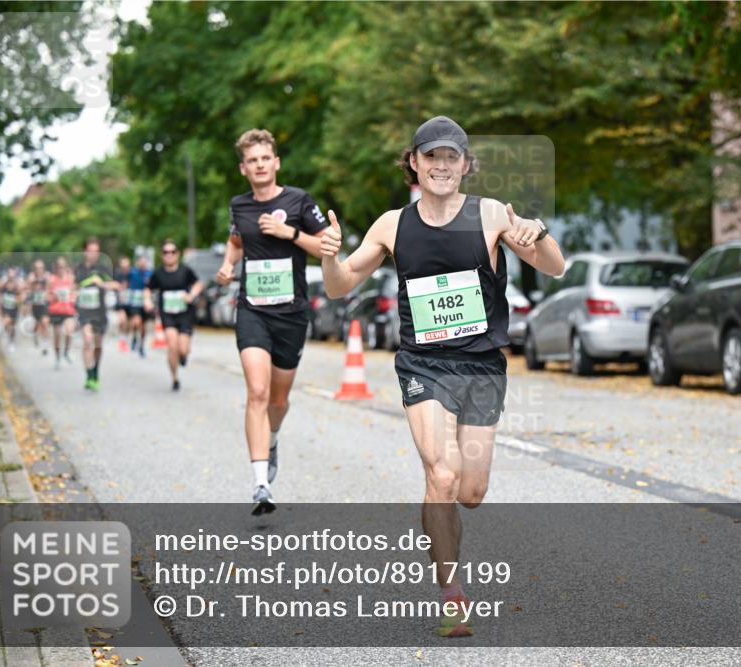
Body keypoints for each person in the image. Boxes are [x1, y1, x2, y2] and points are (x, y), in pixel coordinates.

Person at [320, 116, 565, 637]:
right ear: (414, 162)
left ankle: (438, 511)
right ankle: (452, 593)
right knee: (443, 473)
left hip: (481, 367)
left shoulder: (491, 214)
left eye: (451, 157)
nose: (442, 165)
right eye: (431, 156)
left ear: (466, 164)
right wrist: (328, 256)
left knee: (470, 491)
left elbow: (556, 267)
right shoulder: (391, 225)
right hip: (423, 365)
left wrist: (537, 235)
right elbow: (341, 286)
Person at [216, 128, 330, 515]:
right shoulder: (239, 206)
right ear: (243, 169)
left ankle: (273, 436)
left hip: (292, 313)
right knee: (258, 392)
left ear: (276, 162)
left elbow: (328, 244)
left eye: (266, 158)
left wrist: (290, 232)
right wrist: (228, 265)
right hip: (252, 309)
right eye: (252, 161)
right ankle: (261, 483)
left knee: (279, 400)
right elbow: (237, 241)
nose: (260, 165)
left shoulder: (298, 200)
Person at [145, 239, 202, 391]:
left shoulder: (185, 270)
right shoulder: (158, 273)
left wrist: (191, 295)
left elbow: (198, 284)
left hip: (185, 314)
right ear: (162, 255)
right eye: (165, 252)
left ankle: (183, 357)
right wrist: (147, 301)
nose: (169, 255)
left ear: (178, 254)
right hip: (167, 314)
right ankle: (175, 378)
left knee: (183, 349)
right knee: (172, 345)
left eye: (172, 252)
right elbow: (148, 289)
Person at [75, 238, 119, 391]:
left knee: (98, 345)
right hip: (84, 311)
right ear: (84, 251)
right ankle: (89, 375)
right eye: (90, 250)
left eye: (96, 251)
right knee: (87, 339)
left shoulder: (103, 268)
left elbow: (117, 285)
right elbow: (71, 287)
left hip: (100, 312)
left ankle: (95, 371)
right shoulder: (78, 269)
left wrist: (103, 284)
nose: (93, 254)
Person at [47, 256, 76, 369]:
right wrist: (53, 296)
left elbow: (75, 292)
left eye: (63, 267)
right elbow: (47, 296)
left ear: (66, 267)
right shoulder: (51, 279)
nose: (61, 269)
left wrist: (73, 298)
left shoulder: (71, 279)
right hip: (55, 311)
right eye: (59, 267)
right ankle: (58, 358)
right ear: (56, 268)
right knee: (57, 336)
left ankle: (66, 352)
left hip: (68, 310)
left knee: (69, 332)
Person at [125, 255, 152, 357]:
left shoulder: (150, 273)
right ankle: (134, 337)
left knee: (143, 327)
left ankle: (141, 346)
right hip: (135, 302)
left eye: (144, 262)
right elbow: (124, 280)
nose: (142, 264)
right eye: (141, 262)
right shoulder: (132, 272)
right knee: (136, 322)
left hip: (145, 303)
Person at [27, 259, 51, 354]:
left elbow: (49, 288)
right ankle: (36, 333)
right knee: (38, 323)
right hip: (35, 305)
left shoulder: (47, 276)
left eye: (41, 268)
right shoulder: (31, 277)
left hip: (44, 304)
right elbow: (28, 290)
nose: (39, 269)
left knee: (45, 322)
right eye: (37, 268)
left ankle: (45, 343)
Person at [113, 256, 132, 353]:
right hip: (120, 302)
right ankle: (122, 340)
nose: (125, 268)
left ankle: (125, 338)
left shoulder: (132, 274)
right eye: (123, 266)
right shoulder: (117, 274)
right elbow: (113, 285)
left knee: (128, 323)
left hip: (130, 302)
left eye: (127, 266)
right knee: (123, 320)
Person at [0, 272, 22, 350]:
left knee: (12, 327)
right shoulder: (4, 286)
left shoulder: (17, 287)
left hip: (14, 310)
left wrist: (17, 301)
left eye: (12, 276)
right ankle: (6, 336)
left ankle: (11, 341)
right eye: (10, 276)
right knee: (6, 322)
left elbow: (21, 297)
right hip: (5, 309)